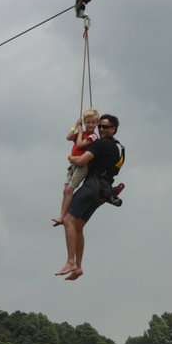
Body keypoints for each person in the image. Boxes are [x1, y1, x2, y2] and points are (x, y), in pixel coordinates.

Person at [55, 114, 122, 280]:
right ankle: (78, 267)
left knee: (69, 220)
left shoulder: (101, 143)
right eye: (100, 126)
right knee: (77, 226)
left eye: (105, 127)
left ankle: (71, 262)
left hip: (93, 186)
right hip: (103, 191)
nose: (100, 129)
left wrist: (71, 158)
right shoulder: (117, 147)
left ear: (113, 129)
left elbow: (81, 161)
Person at [51, 108, 99, 227]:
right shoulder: (81, 132)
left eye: (93, 122)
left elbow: (79, 144)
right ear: (84, 122)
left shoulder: (93, 136)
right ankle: (61, 215)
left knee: (69, 190)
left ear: (96, 123)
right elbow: (68, 137)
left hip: (82, 165)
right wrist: (75, 126)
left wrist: (81, 132)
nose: (90, 125)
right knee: (65, 190)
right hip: (73, 165)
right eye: (87, 122)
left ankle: (63, 216)